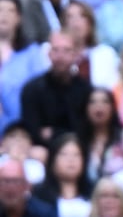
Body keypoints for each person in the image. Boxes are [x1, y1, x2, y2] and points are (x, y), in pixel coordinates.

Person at [19, 30, 90, 159]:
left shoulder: (86, 90)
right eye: (56, 50)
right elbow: (33, 131)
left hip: (80, 152)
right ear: (49, 54)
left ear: (75, 55)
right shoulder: (32, 89)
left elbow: (84, 130)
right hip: (43, 153)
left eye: (66, 50)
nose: (60, 56)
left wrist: (54, 132)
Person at [0, 0, 46, 133]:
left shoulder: (32, 53)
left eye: (10, 10)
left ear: (19, 17)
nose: (4, 15)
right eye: (0, 10)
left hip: (23, 129)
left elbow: (40, 91)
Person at [0, 156, 64, 217]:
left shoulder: (45, 214)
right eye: (5, 181)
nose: (10, 188)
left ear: (27, 186)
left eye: (16, 181)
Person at [31, 132, 92, 217]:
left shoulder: (93, 192)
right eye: (64, 154)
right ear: (53, 161)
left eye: (76, 155)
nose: (71, 160)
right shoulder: (40, 194)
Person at [58, 0, 119, 89]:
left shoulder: (107, 54)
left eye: (82, 16)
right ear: (63, 24)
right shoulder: (52, 52)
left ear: (90, 24)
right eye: (70, 17)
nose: (76, 22)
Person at [78, 86, 123, 182]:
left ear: (113, 108)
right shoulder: (78, 142)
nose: (99, 106)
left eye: (105, 102)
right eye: (93, 102)